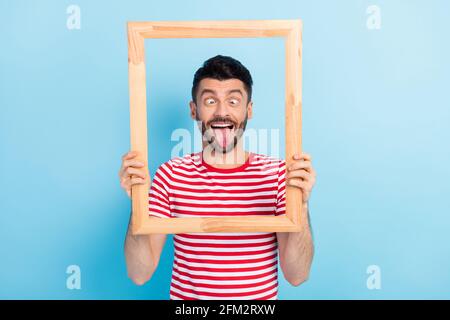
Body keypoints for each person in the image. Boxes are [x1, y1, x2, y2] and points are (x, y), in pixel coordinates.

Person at [119, 55, 316, 300]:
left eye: (233, 101)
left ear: (249, 110)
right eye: (210, 100)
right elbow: (139, 273)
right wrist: (137, 203)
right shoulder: (170, 175)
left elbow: (297, 275)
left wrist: (302, 204)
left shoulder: (277, 176)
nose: (222, 112)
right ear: (194, 110)